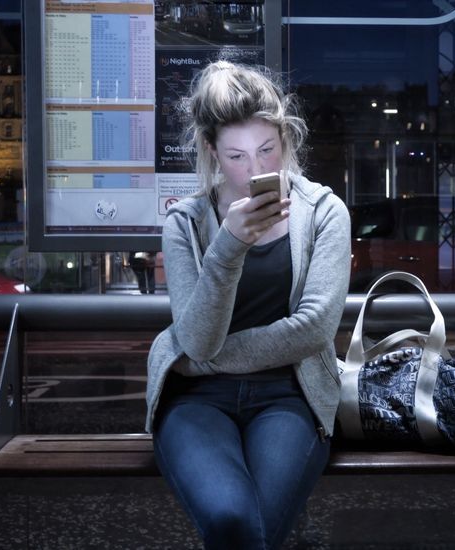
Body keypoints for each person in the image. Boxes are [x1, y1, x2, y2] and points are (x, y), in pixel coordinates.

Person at [144, 60, 351, 549]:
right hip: (196, 399)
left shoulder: (323, 212)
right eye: (237, 156)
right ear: (212, 152)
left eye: (266, 150)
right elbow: (199, 336)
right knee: (231, 517)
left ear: (285, 140)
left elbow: (314, 329)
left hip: (289, 395)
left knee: (248, 528)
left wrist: (203, 360)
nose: (256, 171)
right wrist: (229, 246)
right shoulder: (185, 223)